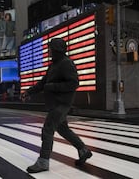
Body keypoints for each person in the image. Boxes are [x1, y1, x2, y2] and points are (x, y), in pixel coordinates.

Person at [21, 38, 92, 173]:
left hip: (62, 103)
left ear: (57, 50)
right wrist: (28, 92)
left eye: (50, 49)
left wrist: (52, 86)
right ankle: (84, 150)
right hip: (55, 104)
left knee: (48, 129)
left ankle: (43, 161)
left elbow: (74, 83)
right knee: (63, 129)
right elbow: (42, 84)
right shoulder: (53, 65)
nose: (48, 51)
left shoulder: (66, 63)